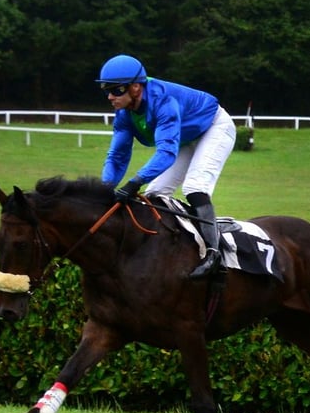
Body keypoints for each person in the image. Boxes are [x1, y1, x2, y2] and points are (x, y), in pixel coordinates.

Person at [96, 55, 239, 280]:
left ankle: (214, 253)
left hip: (214, 127)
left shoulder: (163, 101)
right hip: (187, 137)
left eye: (116, 90)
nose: (110, 97)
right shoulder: (124, 114)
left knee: (195, 186)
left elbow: (166, 153)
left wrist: (134, 182)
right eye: (107, 91)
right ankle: (178, 240)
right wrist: (104, 189)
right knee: (154, 194)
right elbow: (117, 156)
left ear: (135, 87)